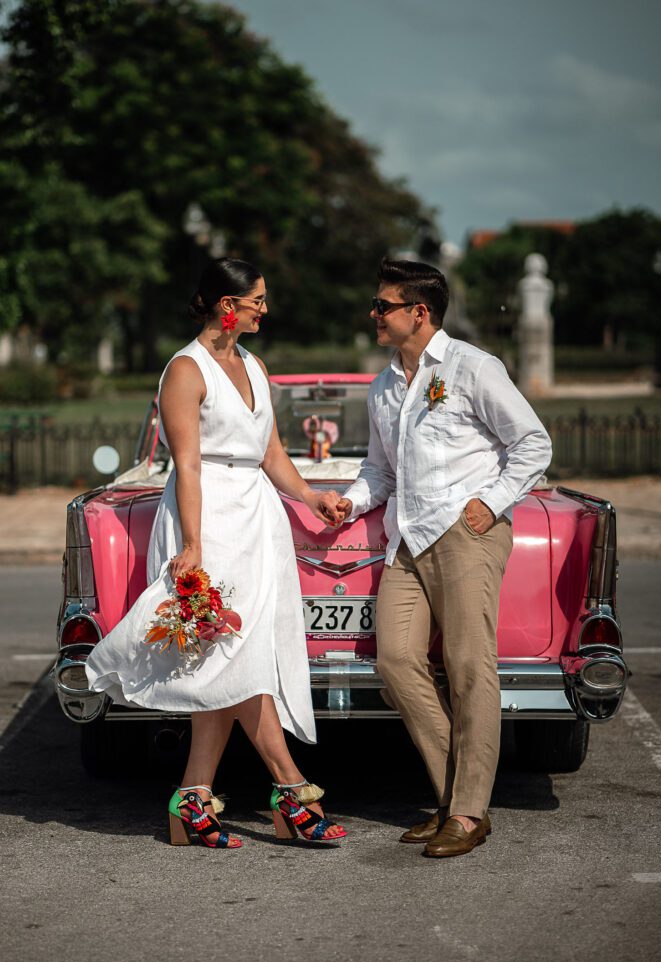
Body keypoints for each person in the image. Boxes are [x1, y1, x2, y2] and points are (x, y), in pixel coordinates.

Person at [86, 258, 347, 849]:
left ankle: (191, 801)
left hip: (259, 517)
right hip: (209, 516)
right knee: (237, 654)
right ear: (226, 304)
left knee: (228, 662)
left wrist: (312, 497)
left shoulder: (254, 363)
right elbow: (188, 463)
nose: (264, 308)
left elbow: (272, 451)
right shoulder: (185, 369)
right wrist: (194, 544)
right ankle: (290, 789)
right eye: (257, 299)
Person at [336, 258, 552, 858]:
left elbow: (533, 442)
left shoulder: (473, 368)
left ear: (419, 313)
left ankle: (465, 811)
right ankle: (456, 795)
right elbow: (379, 470)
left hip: (466, 533)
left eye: (384, 306)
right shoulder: (383, 386)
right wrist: (349, 502)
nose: (374, 315)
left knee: (467, 666)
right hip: (405, 539)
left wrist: (493, 500)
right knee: (396, 661)